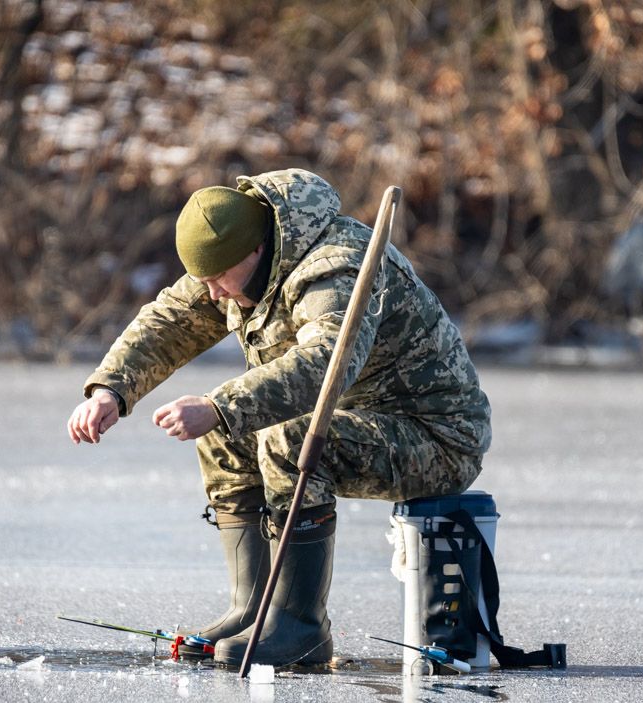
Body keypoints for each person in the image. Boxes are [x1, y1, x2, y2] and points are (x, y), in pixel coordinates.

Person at [66, 168, 490, 667]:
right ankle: (251, 609)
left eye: (219, 280)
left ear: (253, 252)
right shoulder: (240, 261)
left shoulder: (336, 267)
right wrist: (111, 389)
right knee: (225, 438)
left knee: (281, 434)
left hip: (436, 438)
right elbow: (170, 321)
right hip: (361, 424)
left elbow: (324, 364)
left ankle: (299, 625)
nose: (215, 296)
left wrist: (219, 406)